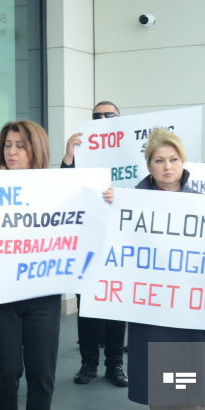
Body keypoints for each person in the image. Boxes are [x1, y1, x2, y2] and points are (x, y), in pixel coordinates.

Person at [127, 128, 205, 410]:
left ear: (183, 162)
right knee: (155, 378)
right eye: (159, 161)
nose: (167, 167)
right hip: (150, 305)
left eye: (173, 159)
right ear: (149, 165)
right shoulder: (132, 200)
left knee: (189, 380)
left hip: (192, 306)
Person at [0, 121, 65, 410]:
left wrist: (103, 198)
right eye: (8, 145)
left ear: (37, 149)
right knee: (5, 369)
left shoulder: (59, 187)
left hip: (42, 293)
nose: (13, 152)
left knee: (41, 372)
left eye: (21, 145)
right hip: (0, 293)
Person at [62, 101, 127, 387]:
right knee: (86, 305)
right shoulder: (79, 154)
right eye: (96, 116)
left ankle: (115, 365)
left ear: (118, 119)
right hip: (86, 241)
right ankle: (88, 364)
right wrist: (69, 155)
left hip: (119, 242)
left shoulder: (131, 153)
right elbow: (64, 188)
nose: (102, 119)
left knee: (115, 306)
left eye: (108, 115)